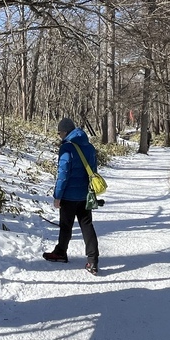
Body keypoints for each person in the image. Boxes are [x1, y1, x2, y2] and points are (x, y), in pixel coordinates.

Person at [43, 117, 101, 275]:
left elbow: (63, 174)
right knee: (87, 226)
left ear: (66, 131)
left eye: (60, 132)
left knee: (66, 226)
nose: (59, 135)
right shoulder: (88, 146)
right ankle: (93, 261)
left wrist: (58, 195)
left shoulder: (67, 148)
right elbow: (93, 171)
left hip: (68, 196)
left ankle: (61, 253)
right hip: (84, 194)